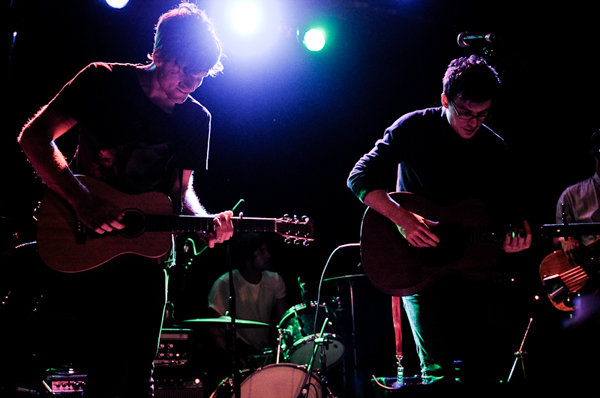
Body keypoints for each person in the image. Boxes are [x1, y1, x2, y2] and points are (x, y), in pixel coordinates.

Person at [17, 3, 234, 397]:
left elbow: (181, 192)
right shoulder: (102, 81)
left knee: (138, 380)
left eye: (201, 75)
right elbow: (34, 138)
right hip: (86, 244)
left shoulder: (196, 119)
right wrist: (81, 199)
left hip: (147, 262)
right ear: (158, 54)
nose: (192, 82)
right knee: (106, 371)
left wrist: (206, 222)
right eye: (184, 69)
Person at [347, 55, 532, 386]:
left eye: (482, 114)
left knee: (482, 371)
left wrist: (516, 233)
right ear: (445, 99)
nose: (473, 122)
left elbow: (507, 212)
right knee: (439, 373)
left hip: (471, 271)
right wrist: (402, 218)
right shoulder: (415, 127)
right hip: (416, 264)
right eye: (465, 112)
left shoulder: (494, 148)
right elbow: (358, 177)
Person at [206, 233, 288, 361]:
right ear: (247, 254)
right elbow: (212, 325)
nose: (268, 255)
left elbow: (285, 321)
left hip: (263, 352)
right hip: (238, 353)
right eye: (261, 251)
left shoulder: (275, 280)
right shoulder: (226, 282)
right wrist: (228, 354)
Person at [554, 130, 600, 265]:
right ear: (595, 156)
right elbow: (558, 236)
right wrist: (565, 240)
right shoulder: (572, 194)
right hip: (590, 270)